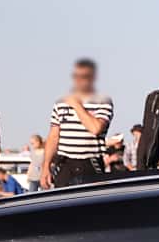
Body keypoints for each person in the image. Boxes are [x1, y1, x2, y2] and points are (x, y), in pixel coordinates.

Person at [41, 58, 114, 189]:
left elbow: (96, 128)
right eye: (76, 76)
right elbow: (53, 136)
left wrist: (77, 105)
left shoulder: (103, 101)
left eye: (84, 76)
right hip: (65, 164)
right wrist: (45, 166)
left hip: (90, 164)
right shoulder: (61, 102)